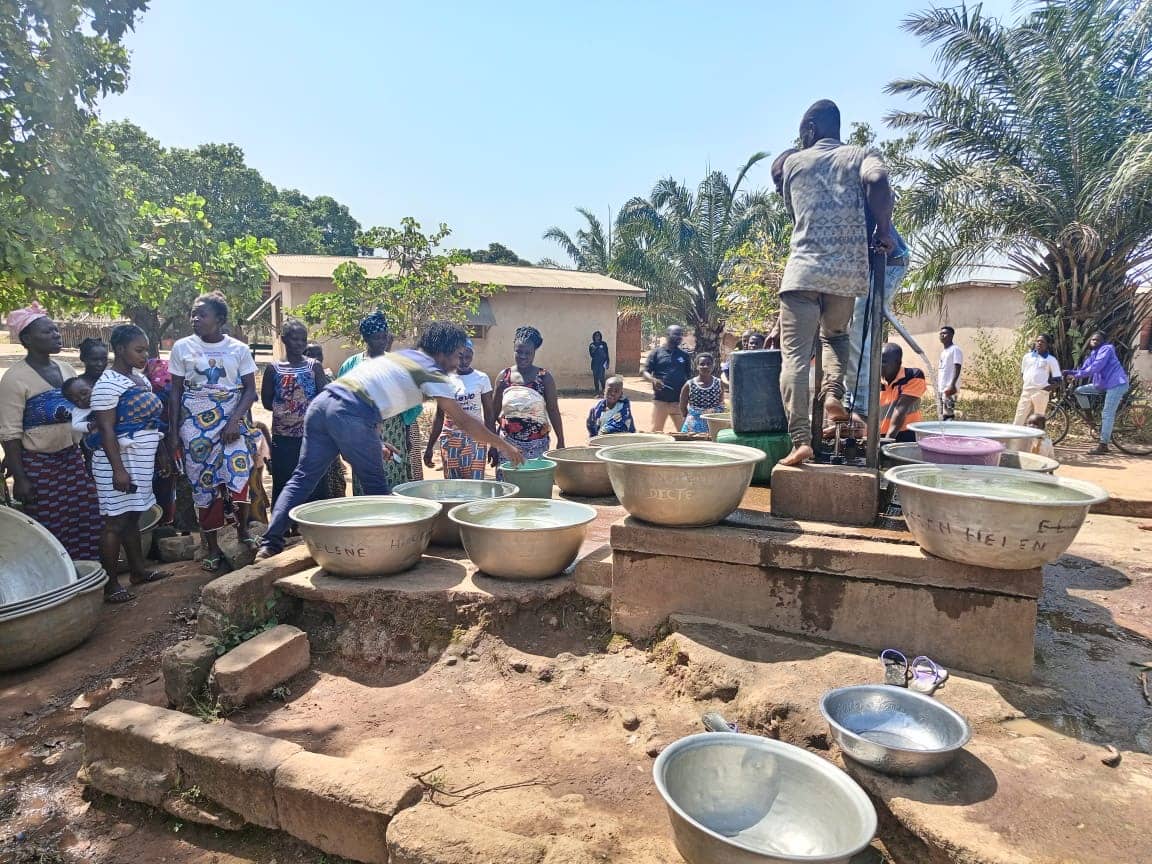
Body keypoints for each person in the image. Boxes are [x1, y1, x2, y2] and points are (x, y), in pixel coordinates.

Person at [258, 322, 524, 557]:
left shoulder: (401, 357)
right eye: (456, 355)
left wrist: (375, 442)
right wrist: (503, 444)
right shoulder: (433, 372)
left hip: (322, 408)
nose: (457, 363)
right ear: (442, 352)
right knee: (376, 486)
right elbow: (464, 421)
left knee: (302, 478)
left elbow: (371, 397)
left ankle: (270, 543)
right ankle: (387, 551)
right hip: (350, 415)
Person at [775, 100, 896, 466]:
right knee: (836, 337)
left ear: (810, 130)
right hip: (845, 275)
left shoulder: (793, 162)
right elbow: (878, 181)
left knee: (794, 357)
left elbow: (795, 212)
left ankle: (800, 441)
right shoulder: (861, 155)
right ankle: (832, 394)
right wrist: (883, 230)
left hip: (802, 273)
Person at [167, 292, 261, 573]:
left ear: (219, 319)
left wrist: (234, 422)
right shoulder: (182, 348)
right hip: (195, 426)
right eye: (193, 314)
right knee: (203, 485)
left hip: (233, 422)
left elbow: (250, 391)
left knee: (239, 475)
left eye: (202, 314)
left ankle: (242, 530)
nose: (195, 319)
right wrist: (173, 432)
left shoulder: (239, 350)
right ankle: (212, 546)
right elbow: (175, 393)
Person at [0, 304, 101, 559]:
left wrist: (87, 457)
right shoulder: (15, 379)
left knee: (87, 518)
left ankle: (89, 574)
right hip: (38, 466)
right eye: (47, 332)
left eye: (56, 329)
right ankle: (62, 582)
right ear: (26, 339)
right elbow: (10, 433)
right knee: (51, 525)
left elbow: (80, 413)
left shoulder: (65, 370)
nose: (56, 335)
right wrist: (21, 479)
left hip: (71, 458)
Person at [89, 324, 172, 602]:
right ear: (120, 349)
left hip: (140, 461)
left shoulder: (140, 379)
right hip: (118, 465)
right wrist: (118, 470)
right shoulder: (107, 384)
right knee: (115, 522)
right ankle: (110, 585)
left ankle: (138, 571)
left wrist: (160, 451)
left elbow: (150, 423)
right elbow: (106, 430)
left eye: (146, 350)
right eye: (138, 350)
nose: (144, 356)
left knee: (134, 517)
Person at [339, 312, 419, 490]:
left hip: (394, 431)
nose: (382, 342)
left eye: (384, 337)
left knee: (395, 483)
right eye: (377, 338)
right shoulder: (351, 365)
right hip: (362, 433)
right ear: (366, 338)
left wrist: (407, 435)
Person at [260, 319, 329, 505]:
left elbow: (324, 398)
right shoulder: (273, 369)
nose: (299, 344)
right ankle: (286, 526)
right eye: (294, 339)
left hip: (311, 436)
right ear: (283, 339)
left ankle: (313, 524)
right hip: (283, 438)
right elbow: (266, 401)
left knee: (313, 481)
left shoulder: (314, 367)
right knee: (284, 481)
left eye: (303, 340)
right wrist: (288, 411)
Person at [491, 326, 565, 464]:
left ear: (534, 352)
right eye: (519, 352)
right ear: (514, 349)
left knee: (534, 483)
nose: (523, 356)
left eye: (528, 353)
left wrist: (561, 440)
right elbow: (492, 413)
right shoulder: (504, 377)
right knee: (508, 484)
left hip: (537, 445)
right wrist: (493, 444)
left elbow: (553, 410)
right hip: (507, 445)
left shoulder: (544, 378)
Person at [424, 340, 494, 479]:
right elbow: (439, 416)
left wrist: (494, 445)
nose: (463, 361)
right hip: (450, 440)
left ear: (472, 356)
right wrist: (430, 447)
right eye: (459, 357)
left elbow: (489, 414)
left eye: (467, 357)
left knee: (475, 485)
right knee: (453, 487)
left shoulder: (481, 378)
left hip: (476, 439)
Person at [1065, 330, 1130, 455]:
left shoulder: (1107, 349)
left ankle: (1103, 444)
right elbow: (1084, 369)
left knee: (1107, 413)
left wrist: (1077, 375)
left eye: (1097, 340)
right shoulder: (1093, 353)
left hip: (1116, 384)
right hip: (1103, 384)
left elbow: (1096, 367)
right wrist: (1069, 372)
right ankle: (1091, 420)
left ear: (1102, 342)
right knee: (1079, 391)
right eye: (1092, 339)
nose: (1094, 341)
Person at [643, 325, 692, 432]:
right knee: (656, 432)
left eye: (680, 335)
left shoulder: (684, 355)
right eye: (675, 334)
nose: (678, 337)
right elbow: (645, 372)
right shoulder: (656, 353)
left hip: (679, 402)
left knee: (685, 432)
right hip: (660, 401)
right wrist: (653, 380)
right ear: (667, 335)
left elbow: (689, 378)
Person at [878, 344, 925, 443]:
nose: (878, 364)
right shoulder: (874, 380)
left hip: (906, 434)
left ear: (898, 363)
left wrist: (887, 441)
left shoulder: (913, 376)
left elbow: (901, 410)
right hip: (878, 434)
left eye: (884, 362)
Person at [1013, 334, 1062, 427]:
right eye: (1038, 341)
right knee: (1018, 420)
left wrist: (1047, 389)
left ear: (1047, 345)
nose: (1039, 343)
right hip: (1026, 392)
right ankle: (1015, 441)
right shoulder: (1027, 357)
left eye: (1042, 341)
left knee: (1038, 423)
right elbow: (1023, 373)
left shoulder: (1051, 360)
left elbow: (1058, 380)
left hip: (1041, 393)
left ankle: (1037, 442)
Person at [680, 353, 725, 434]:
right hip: (693, 424)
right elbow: (682, 406)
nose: (705, 366)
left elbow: (721, 404)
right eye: (702, 364)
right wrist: (694, 416)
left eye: (708, 364)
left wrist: (711, 413)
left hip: (713, 423)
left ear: (713, 366)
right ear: (697, 367)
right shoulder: (689, 384)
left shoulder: (718, 383)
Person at [937, 327, 963, 421]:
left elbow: (957, 366)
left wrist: (952, 385)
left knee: (948, 413)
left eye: (945, 333)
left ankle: (948, 432)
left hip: (949, 387)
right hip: (942, 387)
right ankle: (942, 432)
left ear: (951, 335)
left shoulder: (955, 349)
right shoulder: (943, 352)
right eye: (941, 334)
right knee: (942, 413)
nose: (942, 335)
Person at [588, 330, 611, 395]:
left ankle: (604, 391)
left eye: (598, 335)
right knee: (595, 378)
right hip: (595, 364)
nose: (597, 337)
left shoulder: (604, 344)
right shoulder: (592, 345)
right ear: (594, 337)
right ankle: (597, 391)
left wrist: (608, 362)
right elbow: (591, 355)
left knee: (602, 378)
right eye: (596, 336)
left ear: (600, 336)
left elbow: (607, 354)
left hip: (602, 364)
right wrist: (597, 348)